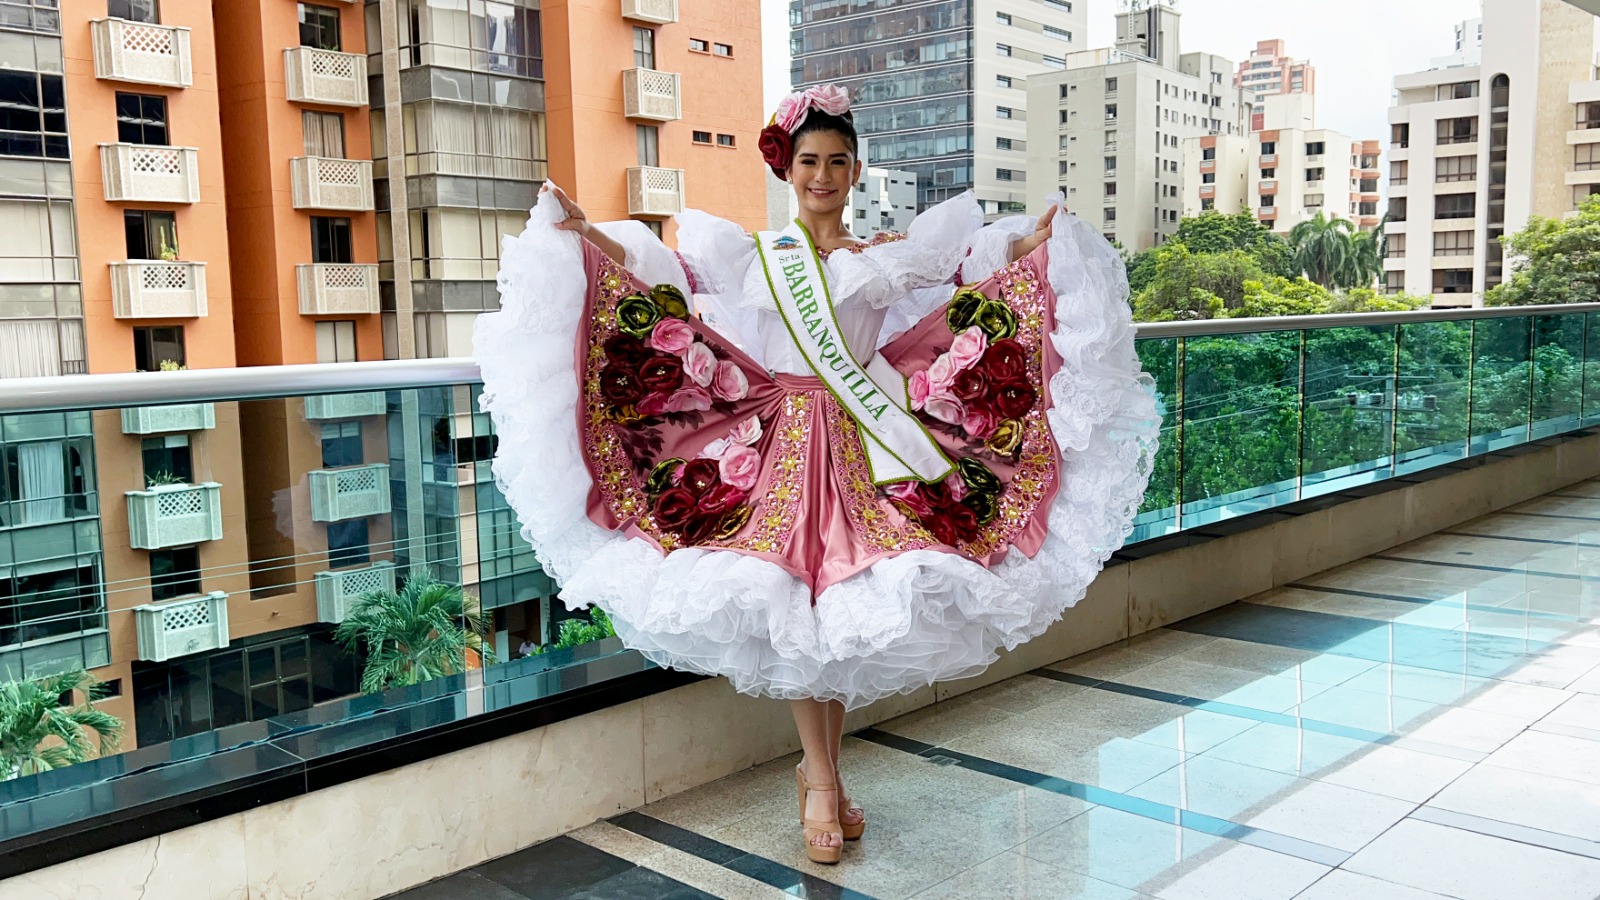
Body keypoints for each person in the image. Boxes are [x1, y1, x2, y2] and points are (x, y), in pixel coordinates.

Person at [475, 84, 1159, 865]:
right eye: (809, 161)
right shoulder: (754, 257)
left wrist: (1032, 246)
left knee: (837, 614)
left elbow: (969, 280)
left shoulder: (888, 258)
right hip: (779, 446)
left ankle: (818, 772)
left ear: (857, 170)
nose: (823, 175)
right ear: (787, 169)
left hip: (872, 447)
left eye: (837, 161)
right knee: (794, 607)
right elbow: (666, 282)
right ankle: (827, 781)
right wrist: (585, 231)